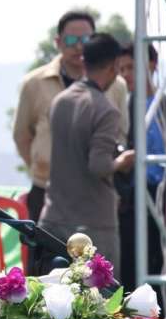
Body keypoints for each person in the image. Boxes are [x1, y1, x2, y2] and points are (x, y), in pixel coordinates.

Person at [12, 10, 128, 226]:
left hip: (97, 194)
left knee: (96, 249)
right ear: (58, 42)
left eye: (86, 40)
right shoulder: (34, 83)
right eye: (71, 41)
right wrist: (41, 167)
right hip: (47, 192)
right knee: (47, 248)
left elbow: (120, 133)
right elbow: (22, 136)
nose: (79, 47)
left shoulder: (116, 85)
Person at [35, 33, 135, 276]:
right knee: (100, 296)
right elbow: (99, 166)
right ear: (113, 67)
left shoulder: (60, 101)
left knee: (52, 294)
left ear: (84, 61)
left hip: (53, 218)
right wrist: (122, 161)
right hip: (94, 225)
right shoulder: (106, 110)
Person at [117, 43, 165, 294]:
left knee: (162, 265)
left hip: (165, 198)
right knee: (134, 267)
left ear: (152, 65)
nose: (126, 74)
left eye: (131, 67)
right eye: (122, 69)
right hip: (134, 201)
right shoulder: (123, 107)